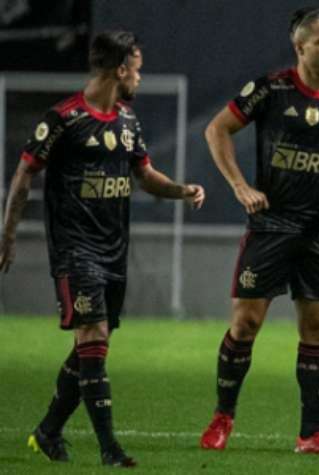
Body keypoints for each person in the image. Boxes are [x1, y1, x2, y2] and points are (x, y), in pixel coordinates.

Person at [0, 31, 205, 467]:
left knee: (92, 346)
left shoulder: (128, 122)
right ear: (120, 69)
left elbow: (145, 176)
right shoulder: (63, 119)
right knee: (92, 338)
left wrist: (182, 190)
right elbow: (23, 175)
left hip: (114, 251)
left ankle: (48, 431)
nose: (140, 77)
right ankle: (110, 449)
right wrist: (7, 235)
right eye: (138, 68)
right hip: (76, 251)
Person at [199, 7, 319, 457]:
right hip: (271, 226)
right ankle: (223, 417)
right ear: (301, 47)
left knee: (318, 330)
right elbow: (217, 129)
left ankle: (311, 434)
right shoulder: (269, 89)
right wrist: (240, 186)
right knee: (246, 323)